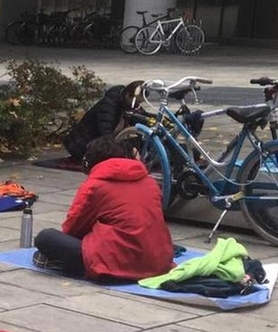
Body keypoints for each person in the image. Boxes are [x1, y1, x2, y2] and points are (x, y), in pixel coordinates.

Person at [33, 135, 174, 281]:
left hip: (116, 264)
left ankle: (56, 260)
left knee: (46, 238)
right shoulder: (150, 182)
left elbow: (74, 228)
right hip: (159, 262)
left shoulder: (95, 185)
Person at [62, 81, 145, 162]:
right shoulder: (109, 106)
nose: (136, 105)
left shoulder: (127, 104)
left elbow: (142, 119)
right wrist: (129, 148)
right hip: (82, 144)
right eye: (136, 102)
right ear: (128, 96)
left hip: (102, 139)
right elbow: (106, 133)